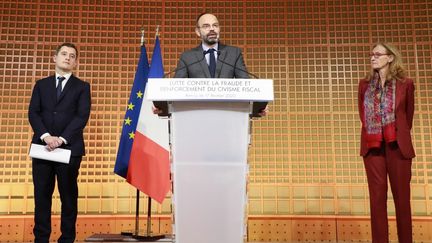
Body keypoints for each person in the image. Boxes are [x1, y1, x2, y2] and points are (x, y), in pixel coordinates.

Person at [28, 43, 91, 243]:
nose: (67, 58)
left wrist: (61, 139)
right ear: (54, 58)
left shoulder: (82, 87)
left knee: (68, 198)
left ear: (76, 62)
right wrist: (46, 136)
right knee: (42, 197)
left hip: (69, 149)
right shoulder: (41, 84)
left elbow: (82, 116)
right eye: (63, 54)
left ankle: (67, 239)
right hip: (42, 148)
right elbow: (33, 113)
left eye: (72, 56)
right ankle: (41, 238)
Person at [155, 12, 268, 116]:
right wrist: (164, 108)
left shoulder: (234, 53)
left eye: (215, 25)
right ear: (198, 32)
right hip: (195, 115)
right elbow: (177, 88)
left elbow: (245, 85)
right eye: (206, 26)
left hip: (228, 115)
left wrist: (257, 108)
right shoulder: (188, 57)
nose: (212, 29)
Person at [358, 42, 415, 243]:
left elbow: (407, 117)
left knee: (402, 200)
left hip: (397, 146)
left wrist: (394, 132)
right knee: (377, 200)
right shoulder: (364, 85)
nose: (373, 58)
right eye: (371, 54)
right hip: (373, 147)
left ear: (390, 57)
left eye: (377, 54)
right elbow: (362, 115)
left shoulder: (406, 84)